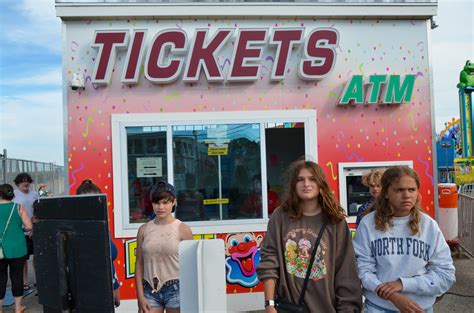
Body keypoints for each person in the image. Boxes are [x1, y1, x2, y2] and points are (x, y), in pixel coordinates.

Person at [257, 160, 362, 312]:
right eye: (300, 179)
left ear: (321, 184)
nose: (306, 184)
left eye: (312, 179)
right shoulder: (280, 216)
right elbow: (269, 261)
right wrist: (269, 304)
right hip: (289, 307)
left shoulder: (335, 221)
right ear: (293, 185)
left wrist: (348, 308)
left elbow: (346, 272)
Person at [353, 166, 455, 313]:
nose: (406, 195)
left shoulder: (428, 226)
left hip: (420, 309)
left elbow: (445, 275)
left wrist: (404, 284)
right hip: (379, 308)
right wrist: (392, 296)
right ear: (386, 193)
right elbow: (361, 270)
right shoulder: (368, 224)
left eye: (412, 189)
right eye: (399, 190)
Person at [135, 181, 193, 313]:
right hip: (149, 289)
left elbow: (191, 267)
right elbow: (139, 264)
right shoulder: (143, 230)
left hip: (177, 288)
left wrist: (190, 294)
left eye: (165, 202)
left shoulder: (183, 229)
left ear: (174, 202)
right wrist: (140, 296)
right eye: (157, 202)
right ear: (152, 203)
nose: (161, 207)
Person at [76, 179, 121, 307]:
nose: (90, 205)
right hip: (88, 293)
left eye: (95, 200)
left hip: (107, 289)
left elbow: (110, 258)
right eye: (85, 202)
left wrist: (115, 287)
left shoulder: (103, 224)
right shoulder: (76, 228)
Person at [0, 184, 32, 313]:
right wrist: (20, 227)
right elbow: (29, 226)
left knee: (0, 278)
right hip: (18, 247)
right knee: (17, 277)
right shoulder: (18, 207)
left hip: (1, 249)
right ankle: (18, 307)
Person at [13, 173, 46, 290]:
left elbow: (39, 210)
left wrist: (34, 226)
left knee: (37, 257)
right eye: (22, 181)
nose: (25, 183)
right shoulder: (14, 195)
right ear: (17, 184)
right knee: (22, 259)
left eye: (27, 181)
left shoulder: (35, 194)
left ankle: (38, 280)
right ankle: (25, 282)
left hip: (35, 230)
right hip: (21, 231)